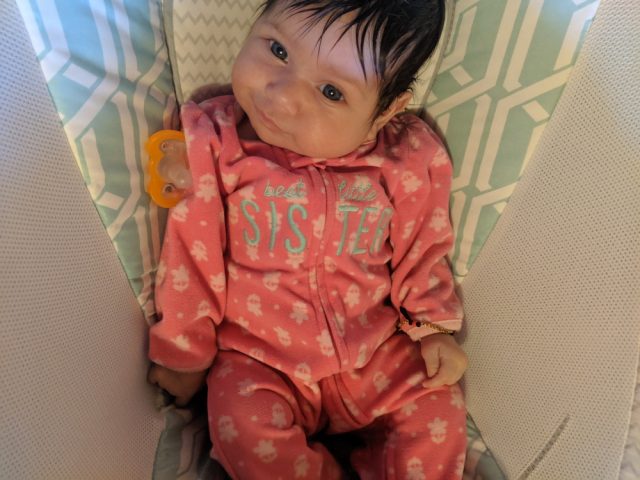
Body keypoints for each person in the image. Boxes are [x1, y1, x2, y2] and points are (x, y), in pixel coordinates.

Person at [148, 0, 469, 478]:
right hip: (260, 362)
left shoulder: (403, 156)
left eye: (331, 92)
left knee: (438, 405)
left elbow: (423, 245)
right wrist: (184, 355)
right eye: (277, 50)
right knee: (241, 424)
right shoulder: (216, 143)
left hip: (375, 351)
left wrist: (434, 325)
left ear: (385, 111)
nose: (281, 97)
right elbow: (191, 257)